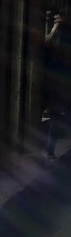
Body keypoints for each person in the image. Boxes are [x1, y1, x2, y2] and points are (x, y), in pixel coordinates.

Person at [43, 12, 71, 160]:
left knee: (54, 121)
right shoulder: (64, 45)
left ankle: (49, 150)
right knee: (56, 121)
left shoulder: (49, 41)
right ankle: (49, 150)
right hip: (61, 90)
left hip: (52, 89)